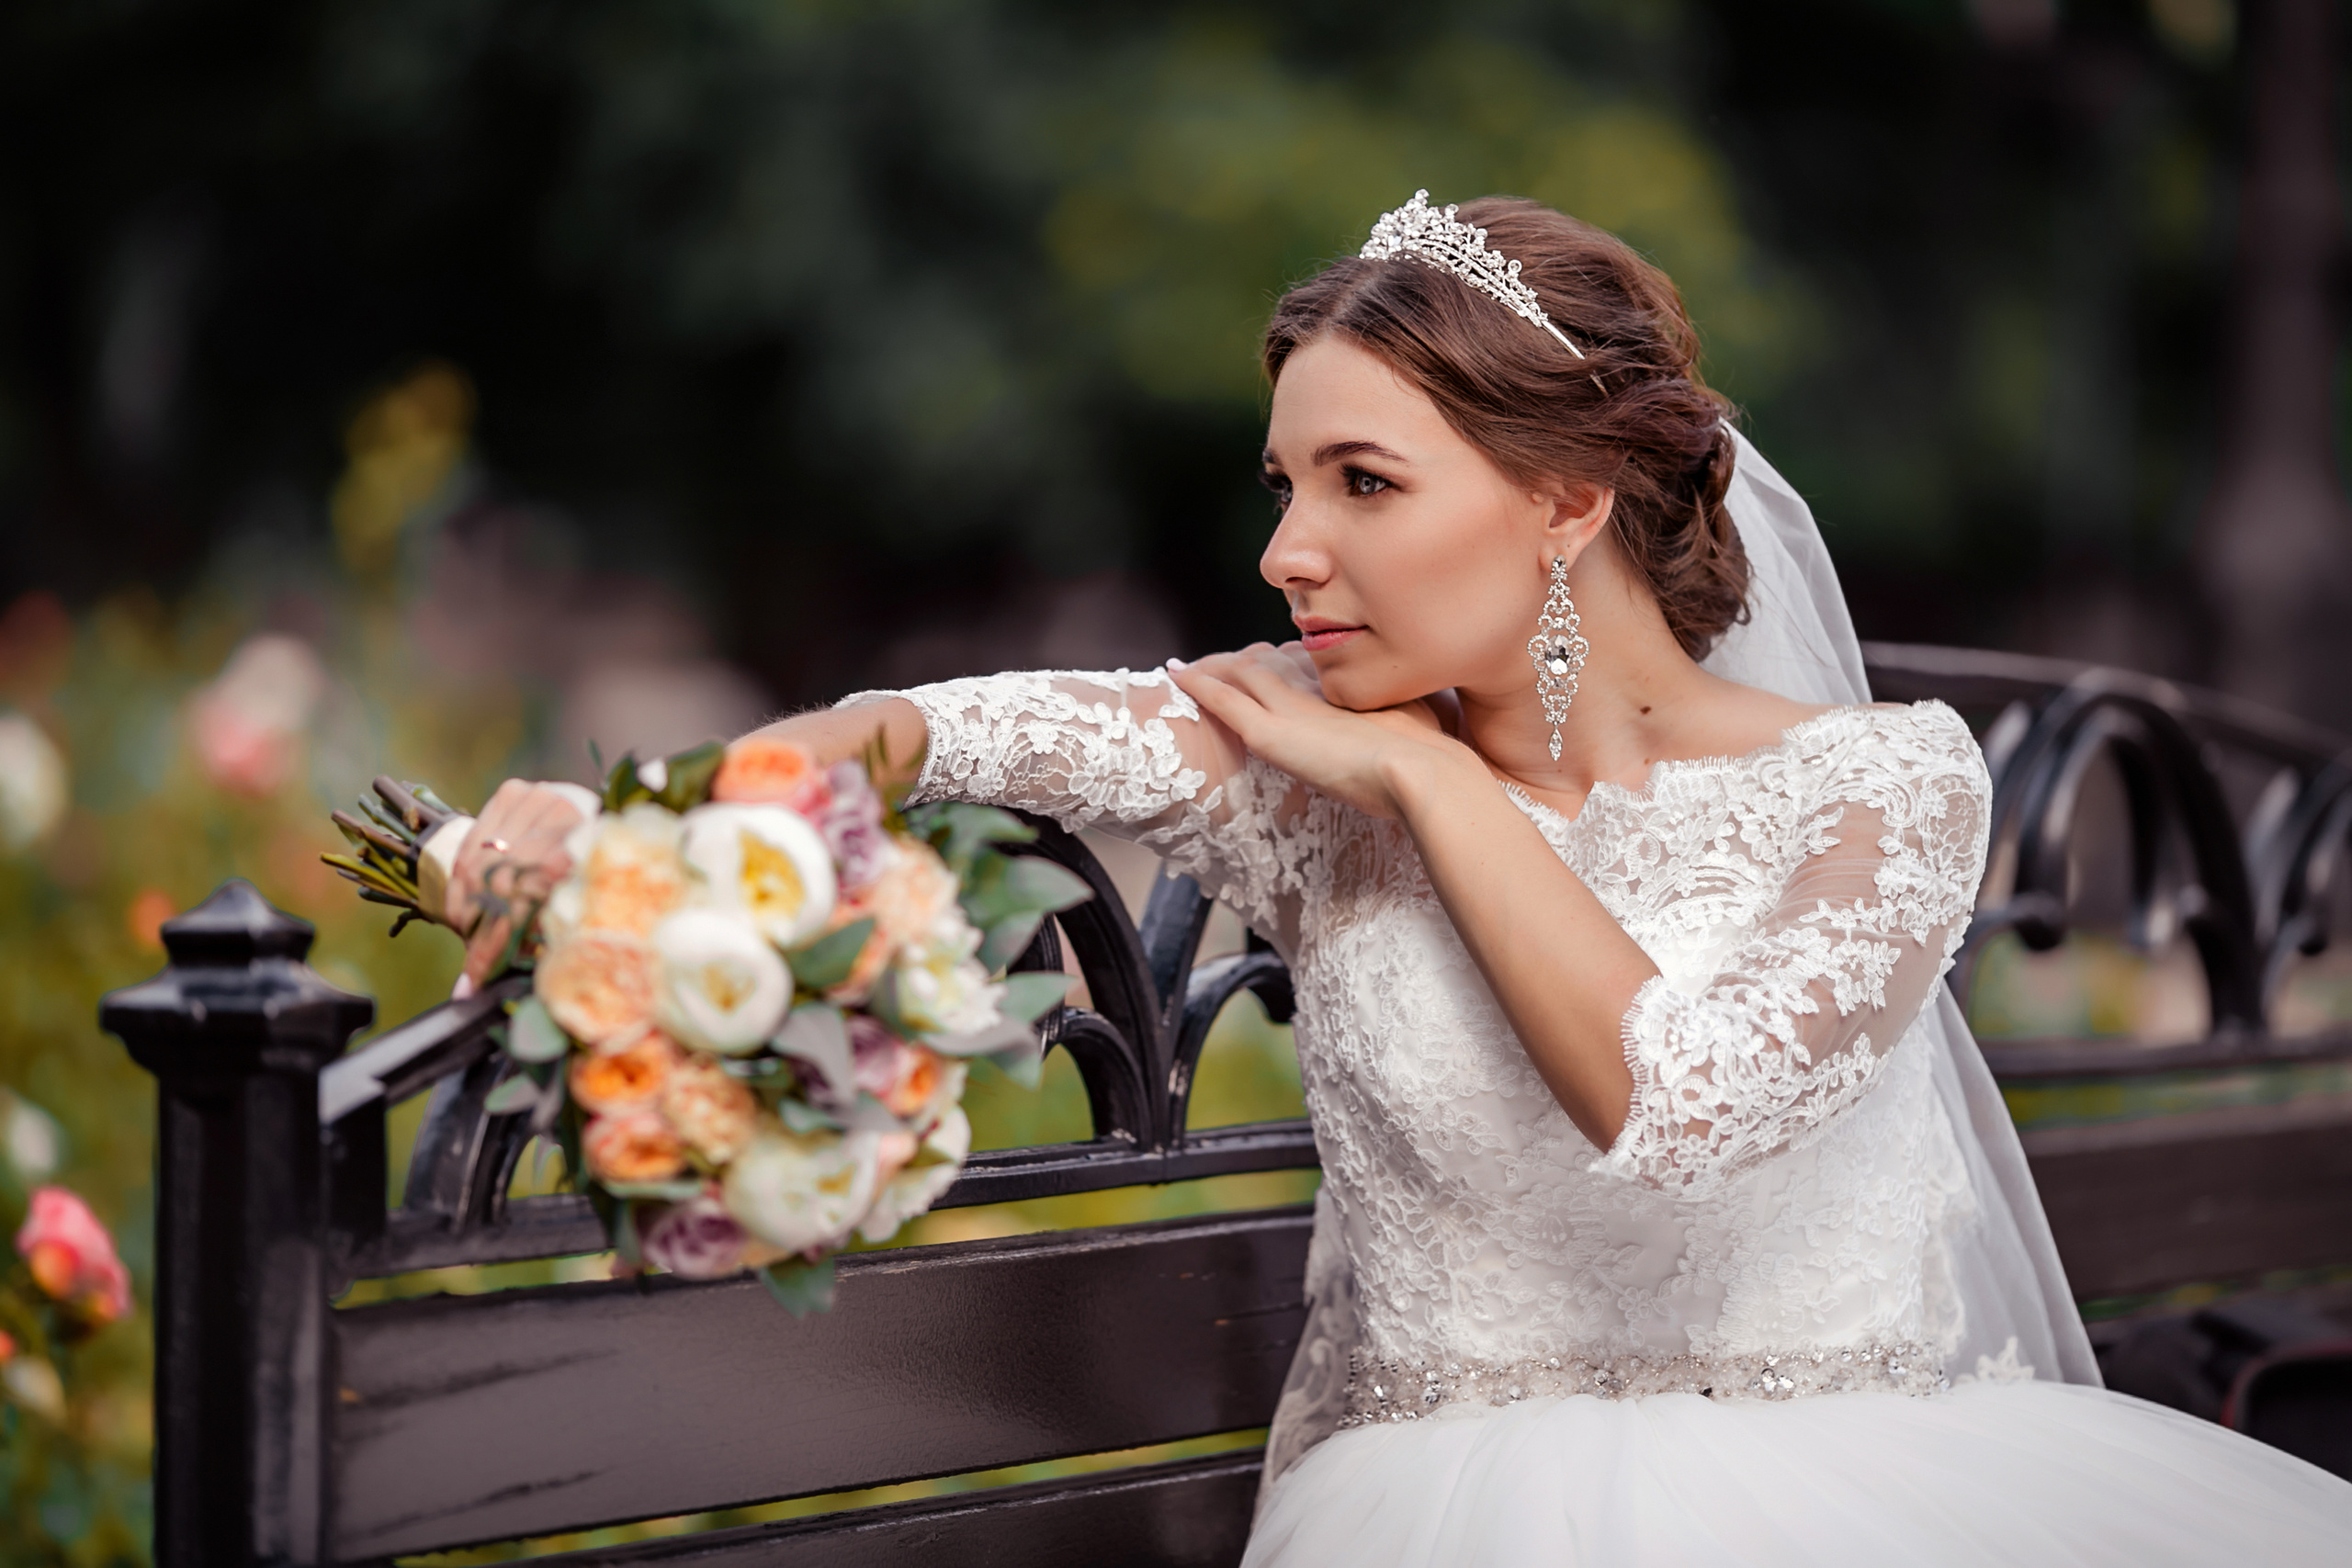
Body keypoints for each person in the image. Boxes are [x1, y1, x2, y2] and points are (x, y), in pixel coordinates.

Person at [447, 193, 2352, 1562]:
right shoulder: (1296, 760)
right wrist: (644, 817)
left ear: (1562, 499)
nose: (1289, 548)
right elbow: (925, 730)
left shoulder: (1882, 786)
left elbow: (1673, 1101)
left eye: (1360, 482)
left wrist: (1426, 792)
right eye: (1283, 485)